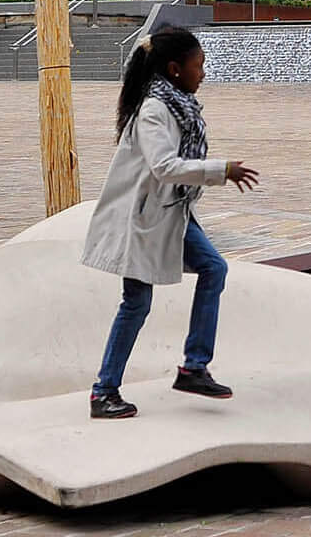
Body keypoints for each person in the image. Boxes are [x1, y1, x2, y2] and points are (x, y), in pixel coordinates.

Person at [81, 26, 260, 419]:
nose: (204, 73)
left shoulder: (179, 103)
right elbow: (164, 166)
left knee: (214, 268)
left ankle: (194, 367)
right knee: (137, 303)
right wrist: (221, 170)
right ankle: (103, 391)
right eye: (199, 66)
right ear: (175, 69)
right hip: (142, 220)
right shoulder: (153, 110)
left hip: (172, 213)